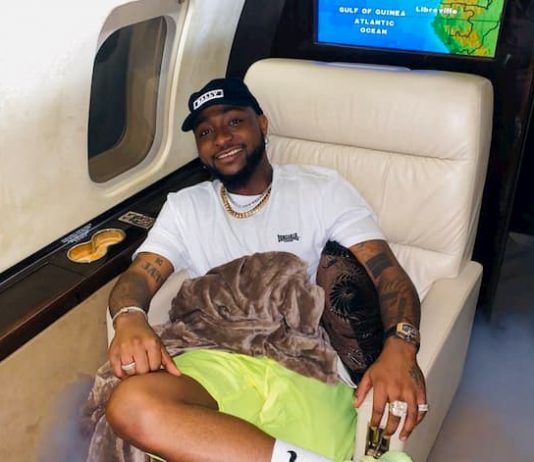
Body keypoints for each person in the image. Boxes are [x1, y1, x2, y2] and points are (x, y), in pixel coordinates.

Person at [105, 77, 427, 462]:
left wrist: (401, 347)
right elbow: (140, 276)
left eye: (234, 121)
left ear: (262, 123)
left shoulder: (321, 190)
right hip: (217, 355)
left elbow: (387, 273)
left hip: (308, 364)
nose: (220, 138)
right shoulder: (185, 207)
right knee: (130, 405)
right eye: (205, 132)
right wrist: (129, 317)